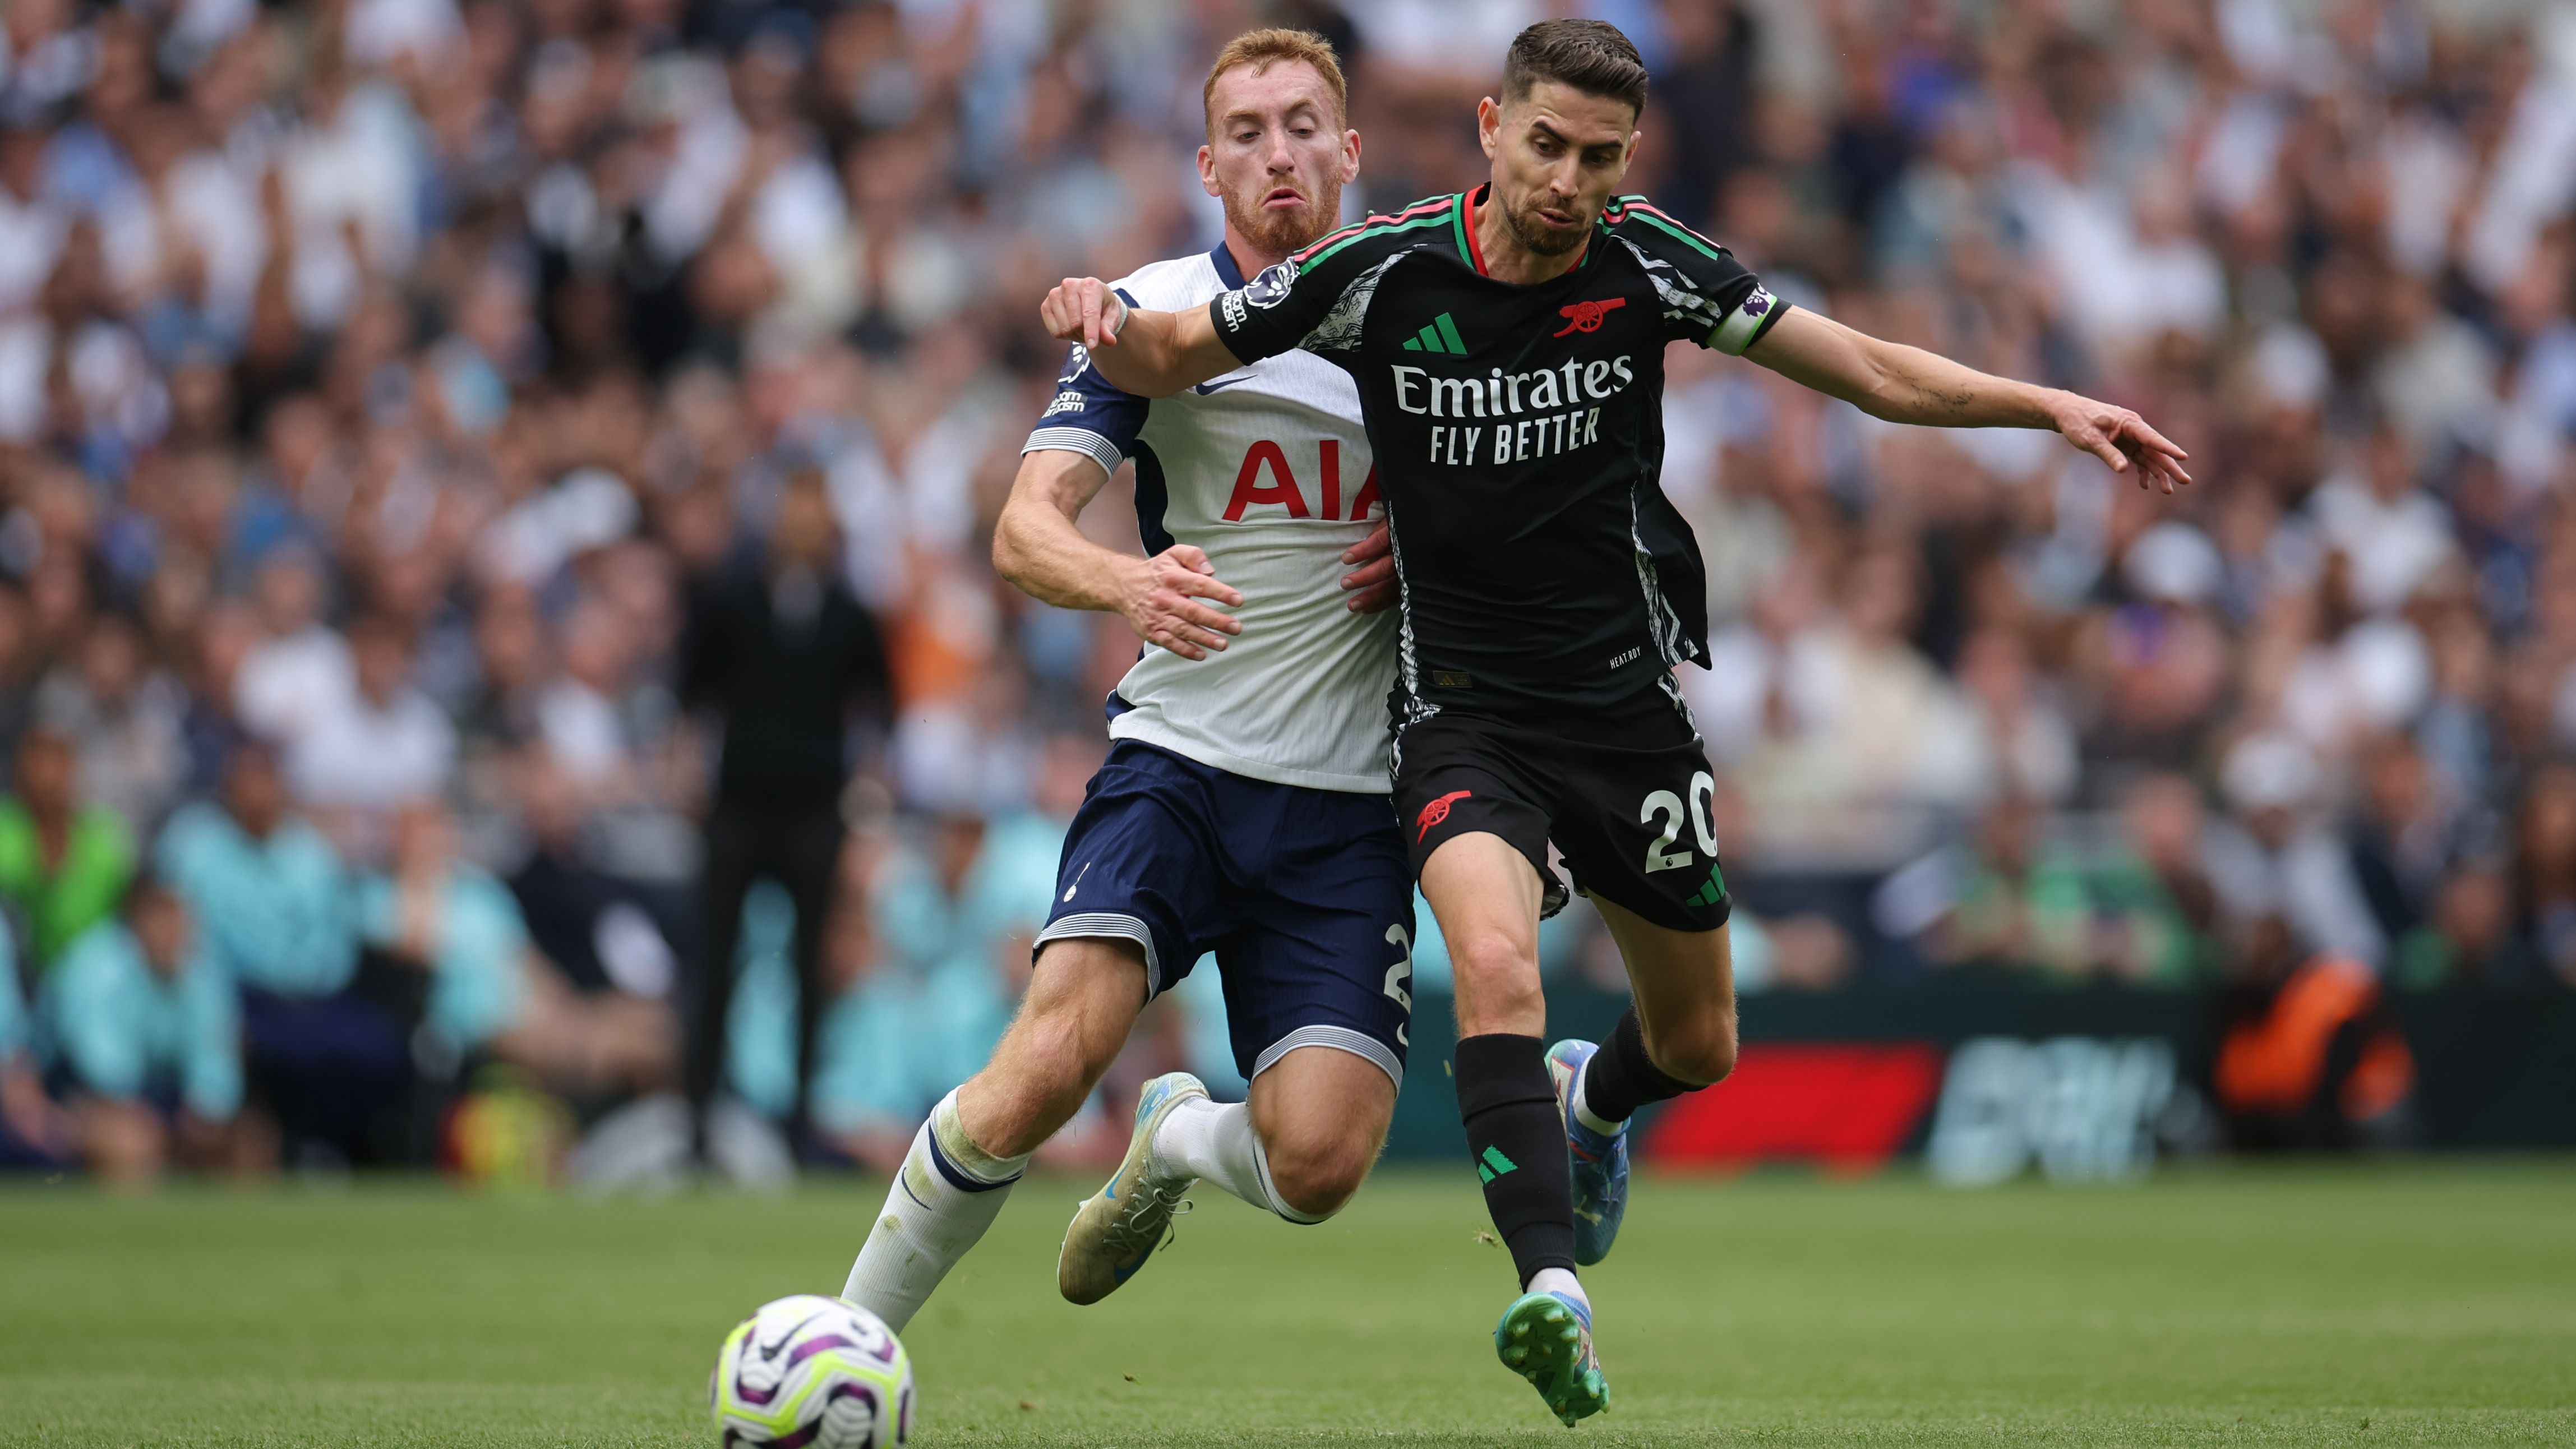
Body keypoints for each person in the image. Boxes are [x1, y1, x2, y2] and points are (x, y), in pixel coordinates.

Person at [1042, 19, 2189, 1424]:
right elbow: (1174, 348)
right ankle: (1549, 1295)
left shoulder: (1648, 259)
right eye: (1544, 145)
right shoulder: (1383, 270)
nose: (1566, 180)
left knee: (1701, 1043)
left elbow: (1869, 371)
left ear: (1625, 157)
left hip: (1626, 719)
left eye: (1596, 156)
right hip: (1460, 715)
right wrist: (1104, 305)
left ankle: (1591, 1107)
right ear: (1488, 127)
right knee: (1496, 968)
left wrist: (2049, 406)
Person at [841, 29, 1411, 1332]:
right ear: (1209, 166)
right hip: (1183, 769)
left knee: (1318, 1166)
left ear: (1350, 150)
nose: (1281, 150)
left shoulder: (1422, 320)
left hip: (1347, 805)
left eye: (1306, 123)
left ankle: (1172, 1143)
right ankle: (848, 1334)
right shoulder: (1151, 313)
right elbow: (1022, 530)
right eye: (1250, 130)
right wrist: (1128, 585)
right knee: (1044, 1065)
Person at [676, 469, 892, 1162]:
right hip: (737, 809)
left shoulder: (849, 614)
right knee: (713, 967)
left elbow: (881, 707)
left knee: (808, 970)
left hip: (811, 816)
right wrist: (685, 774)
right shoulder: (731, 602)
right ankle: (697, 1124)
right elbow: (691, 695)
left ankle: (799, 1127)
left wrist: (862, 797)